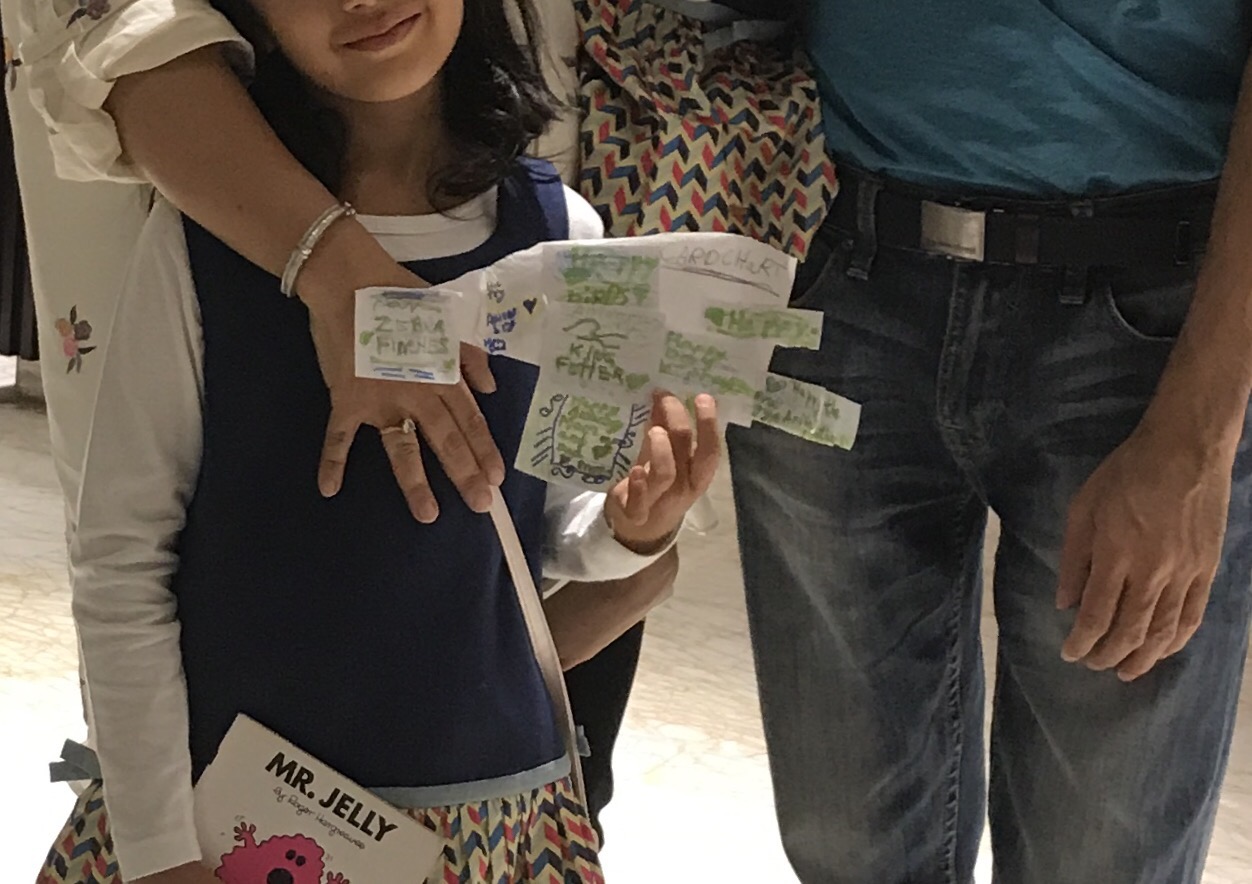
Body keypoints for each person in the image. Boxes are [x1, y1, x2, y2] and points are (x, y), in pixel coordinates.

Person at [34, 0, 720, 880]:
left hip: (489, 810)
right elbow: (122, 555)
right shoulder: (201, 242)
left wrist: (633, 527)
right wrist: (159, 848)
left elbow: (550, 532)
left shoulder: (564, 237)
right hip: (218, 819)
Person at [726, 4, 1252, 883]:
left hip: (1150, 306)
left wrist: (1201, 433)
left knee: (1100, 858)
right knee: (847, 842)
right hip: (836, 252)